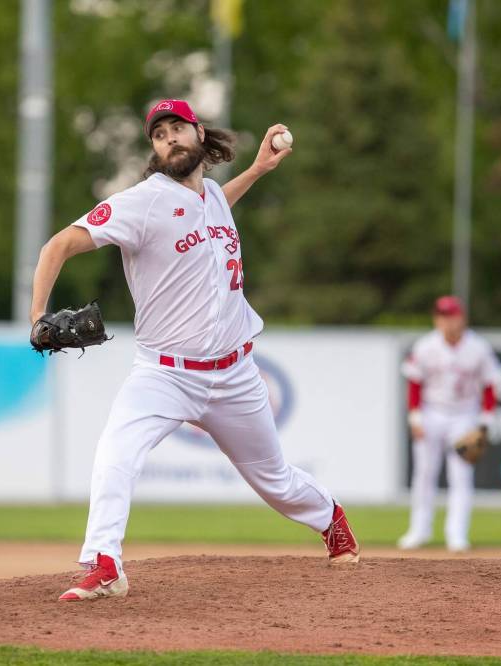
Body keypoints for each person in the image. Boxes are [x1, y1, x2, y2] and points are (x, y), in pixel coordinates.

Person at [30, 99, 360, 601]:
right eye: (159, 134)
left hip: (235, 374)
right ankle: (104, 563)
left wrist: (256, 170)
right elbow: (56, 246)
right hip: (164, 375)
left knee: (274, 479)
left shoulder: (209, 197)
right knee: (116, 454)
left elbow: (210, 209)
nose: (169, 139)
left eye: (177, 128)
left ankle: (330, 516)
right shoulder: (141, 202)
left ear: (198, 133)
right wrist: (37, 318)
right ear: (155, 149)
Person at [398, 295, 500, 553]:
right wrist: (415, 416)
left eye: (452, 315)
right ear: (436, 319)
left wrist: (485, 422)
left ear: (461, 318)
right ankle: (419, 530)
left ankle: (457, 534)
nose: (447, 321)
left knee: (461, 476)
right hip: (432, 412)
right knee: (424, 473)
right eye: (442, 316)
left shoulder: (478, 347)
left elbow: (490, 385)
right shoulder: (425, 346)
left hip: (464, 415)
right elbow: (414, 383)